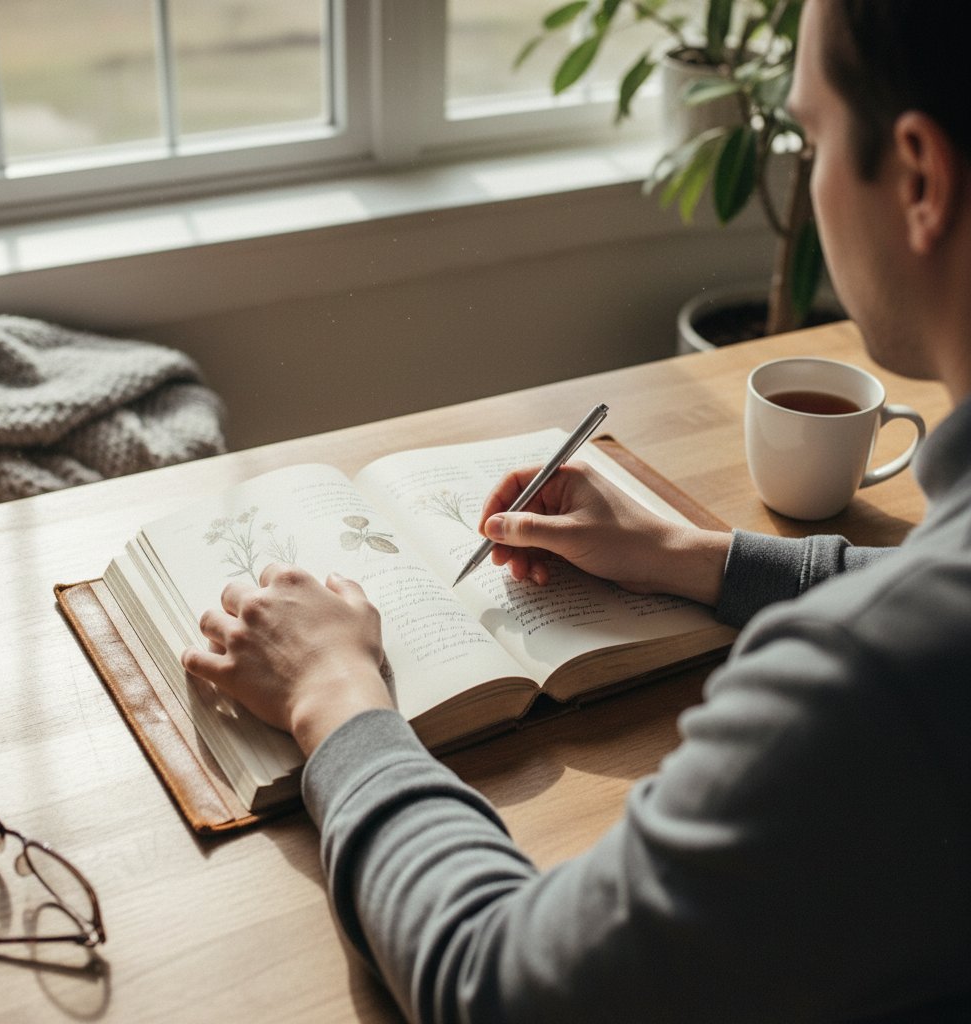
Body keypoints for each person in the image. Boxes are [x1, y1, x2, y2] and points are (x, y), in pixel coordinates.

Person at [181, 1, 971, 1019]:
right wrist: (701, 557)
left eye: (810, 137)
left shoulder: (867, 689)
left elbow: (499, 983)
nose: (805, 174)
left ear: (917, 179)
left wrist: (337, 697)